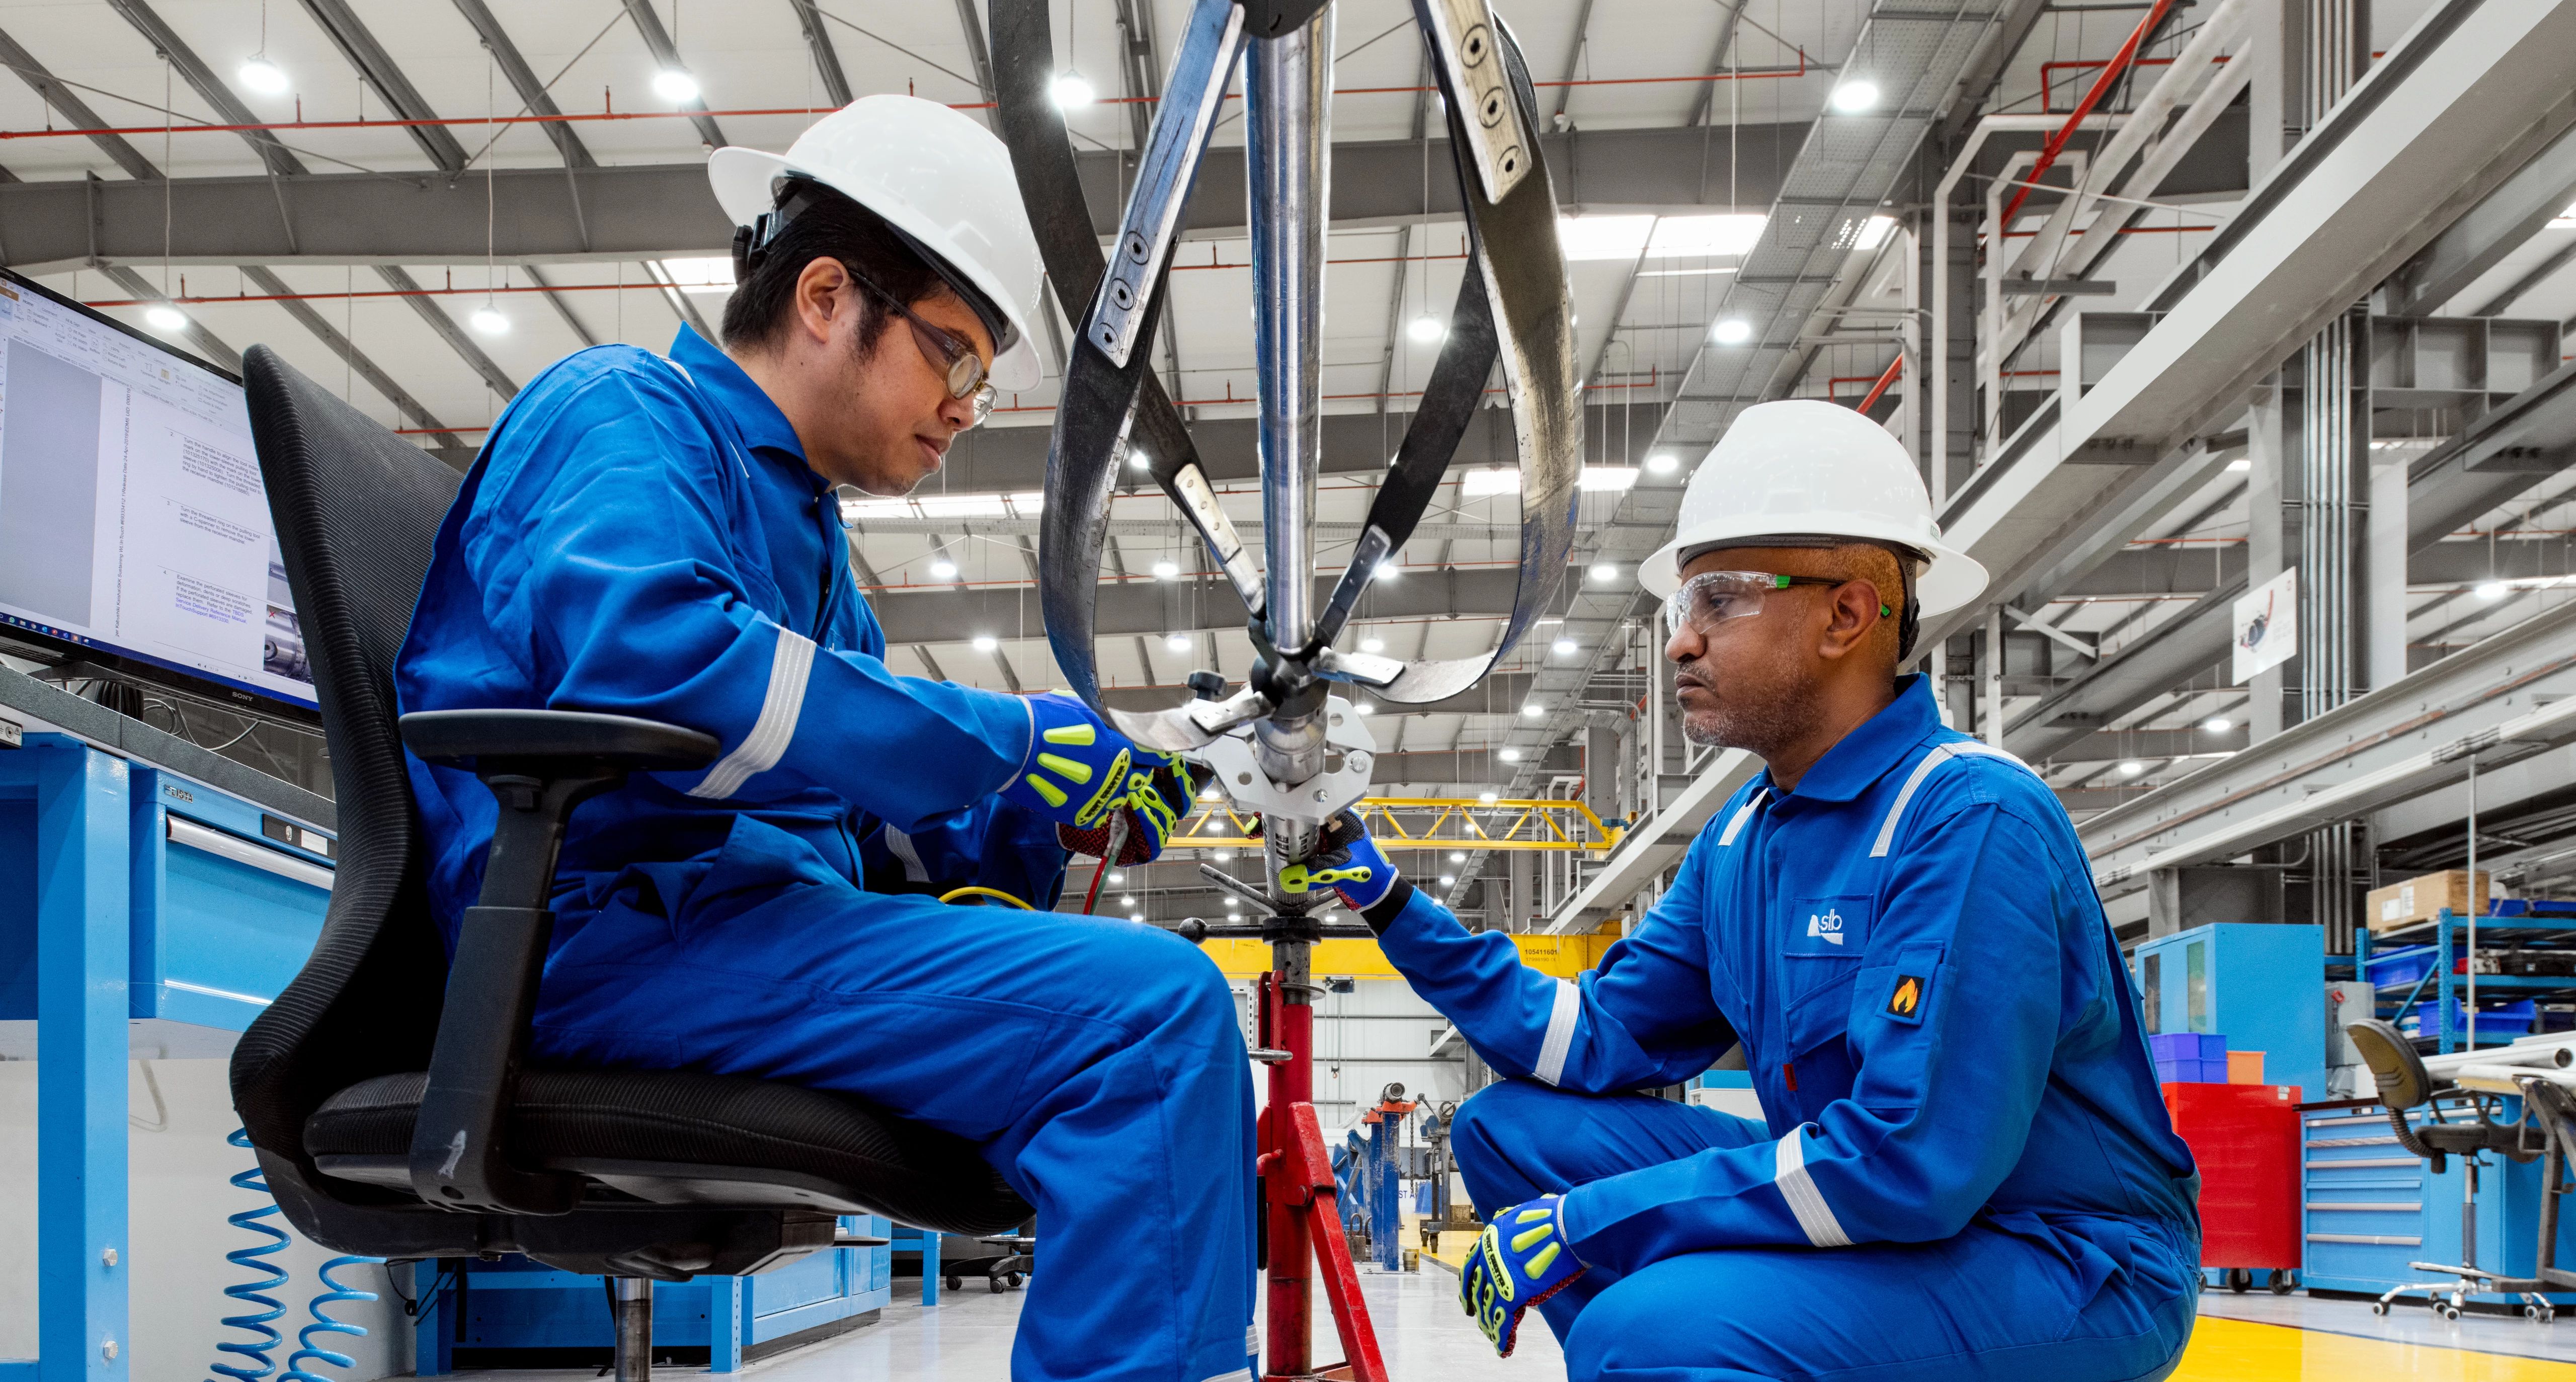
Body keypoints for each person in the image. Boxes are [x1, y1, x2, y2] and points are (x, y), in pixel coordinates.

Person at [395, 96, 1257, 1382]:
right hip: (611, 935)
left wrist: (1057, 801)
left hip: (739, 928)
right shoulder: (624, 409)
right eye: (953, 354)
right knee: (1144, 1023)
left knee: (1135, 1007)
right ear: (822, 296)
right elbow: (656, 665)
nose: (968, 404)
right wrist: (1009, 736)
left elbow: (864, 812)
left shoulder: (800, 526)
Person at [1311, 399, 2200, 1382]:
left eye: (1720, 600)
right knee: (1508, 1131)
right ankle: (1673, 1352)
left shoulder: (1966, 816)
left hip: (2061, 1255)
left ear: (1849, 613)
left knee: (1650, 1326)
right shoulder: (1744, 837)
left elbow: (1907, 1159)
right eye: (1681, 607)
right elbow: (1592, 1036)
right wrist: (1390, 901)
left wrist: (1588, 1220)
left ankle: (1670, 1346)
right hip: (1897, 1223)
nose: (1681, 642)